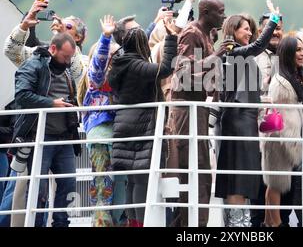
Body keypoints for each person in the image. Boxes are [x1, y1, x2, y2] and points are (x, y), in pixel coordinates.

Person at [215, 0, 280, 227]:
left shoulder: (241, 54)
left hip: (247, 117)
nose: (250, 32)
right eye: (246, 28)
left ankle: (240, 222)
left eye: (251, 29)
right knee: (237, 175)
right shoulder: (231, 51)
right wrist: (272, 20)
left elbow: (239, 87)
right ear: (233, 30)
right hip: (237, 120)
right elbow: (257, 47)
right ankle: (237, 225)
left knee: (245, 174)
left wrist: (262, 100)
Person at [166, 0, 229, 227]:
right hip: (186, 110)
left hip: (199, 108)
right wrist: (217, 56)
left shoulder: (207, 35)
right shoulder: (192, 33)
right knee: (192, 168)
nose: (223, 16)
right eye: (220, 12)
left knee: (202, 170)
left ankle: (193, 224)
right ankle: (191, 226)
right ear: (206, 13)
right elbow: (181, 73)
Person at [108, 20, 178, 227]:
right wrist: (171, 38)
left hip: (123, 124)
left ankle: (133, 223)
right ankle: (141, 223)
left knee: (132, 180)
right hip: (141, 124)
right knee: (141, 180)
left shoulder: (120, 64)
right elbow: (166, 69)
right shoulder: (136, 65)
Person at [11, 32, 79, 227]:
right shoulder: (33, 65)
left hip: (63, 137)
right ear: (53, 49)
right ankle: (36, 223)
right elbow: (22, 96)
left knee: (68, 184)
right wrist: (51, 103)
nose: (67, 62)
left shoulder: (66, 71)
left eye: (70, 57)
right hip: (39, 136)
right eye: (65, 57)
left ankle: (61, 224)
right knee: (37, 188)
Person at [77, 15, 127, 227]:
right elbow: (98, 66)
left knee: (121, 190)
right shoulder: (95, 80)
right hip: (100, 137)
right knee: (102, 189)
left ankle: (115, 222)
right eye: (112, 56)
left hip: (117, 135)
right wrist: (106, 38)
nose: (116, 59)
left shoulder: (118, 80)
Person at [261, 36, 303, 227]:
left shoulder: (297, 74)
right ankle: (277, 224)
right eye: (298, 50)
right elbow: (282, 113)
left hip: (285, 133)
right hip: (278, 133)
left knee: (276, 182)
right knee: (276, 183)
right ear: (288, 53)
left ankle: (267, 223)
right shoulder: (280, 80)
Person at [3, 0, 86, 85]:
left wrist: (64, 37)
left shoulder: (85, 61)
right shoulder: (41, 54)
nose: (61, 27)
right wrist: (24, 25)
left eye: (68, 26)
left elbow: (75, 71)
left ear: (77, 37)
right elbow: (11, 51)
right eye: (60, 22)